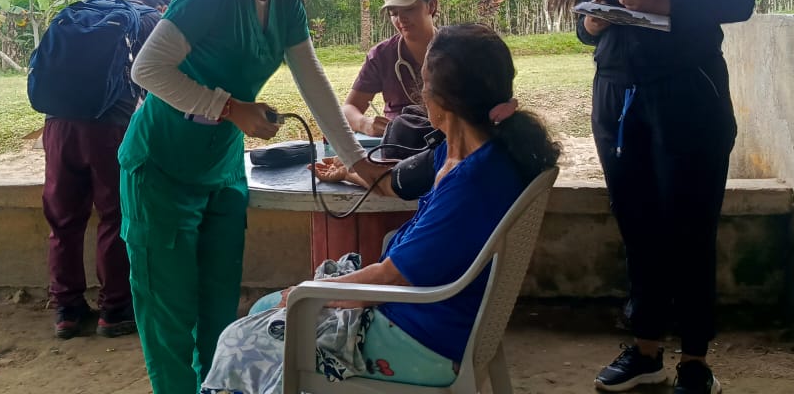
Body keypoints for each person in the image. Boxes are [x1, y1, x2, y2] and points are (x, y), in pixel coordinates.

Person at [121, 0, 387, 394]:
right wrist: (229, 107)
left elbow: (314, 83)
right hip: (162, 166)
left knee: (220, 308)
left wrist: (359, 162)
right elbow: (147, 70)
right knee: (169, 315)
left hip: (222, 170)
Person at [199, 24, 562, 394]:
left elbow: (390, 279)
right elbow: (395, 183)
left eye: (424, 83)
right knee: (270, 310)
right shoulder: (482, 155)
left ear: (442, 99)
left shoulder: (471, 183)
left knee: (240, 338)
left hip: (419, 337)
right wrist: (348, 172)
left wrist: (306, 293)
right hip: (439, 317)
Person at [548, 0, 754, 394]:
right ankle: (645, 350)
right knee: (637, 224)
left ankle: (695, 360)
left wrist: (666, 2)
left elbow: (739, 1)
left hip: (688, 90)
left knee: (691, 224)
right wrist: (591, 23)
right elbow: (584, 25)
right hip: (616, 95)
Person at [41, 0, 169, 340]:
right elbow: (162, 83)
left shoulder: (84, 15)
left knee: (63, 220)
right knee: (116, 215)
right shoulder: (151, 20)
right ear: (162, 5)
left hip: (57, 126)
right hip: (109, 127)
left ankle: (66, 310)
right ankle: (114, 310)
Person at [342, 0, 439, 137]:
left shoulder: (458, 47)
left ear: (431, 5)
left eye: (408, 9)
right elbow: (349, 108)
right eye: (393, 13)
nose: (400, 19)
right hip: (400, 144)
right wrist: (365, 124)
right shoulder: (381, 55)